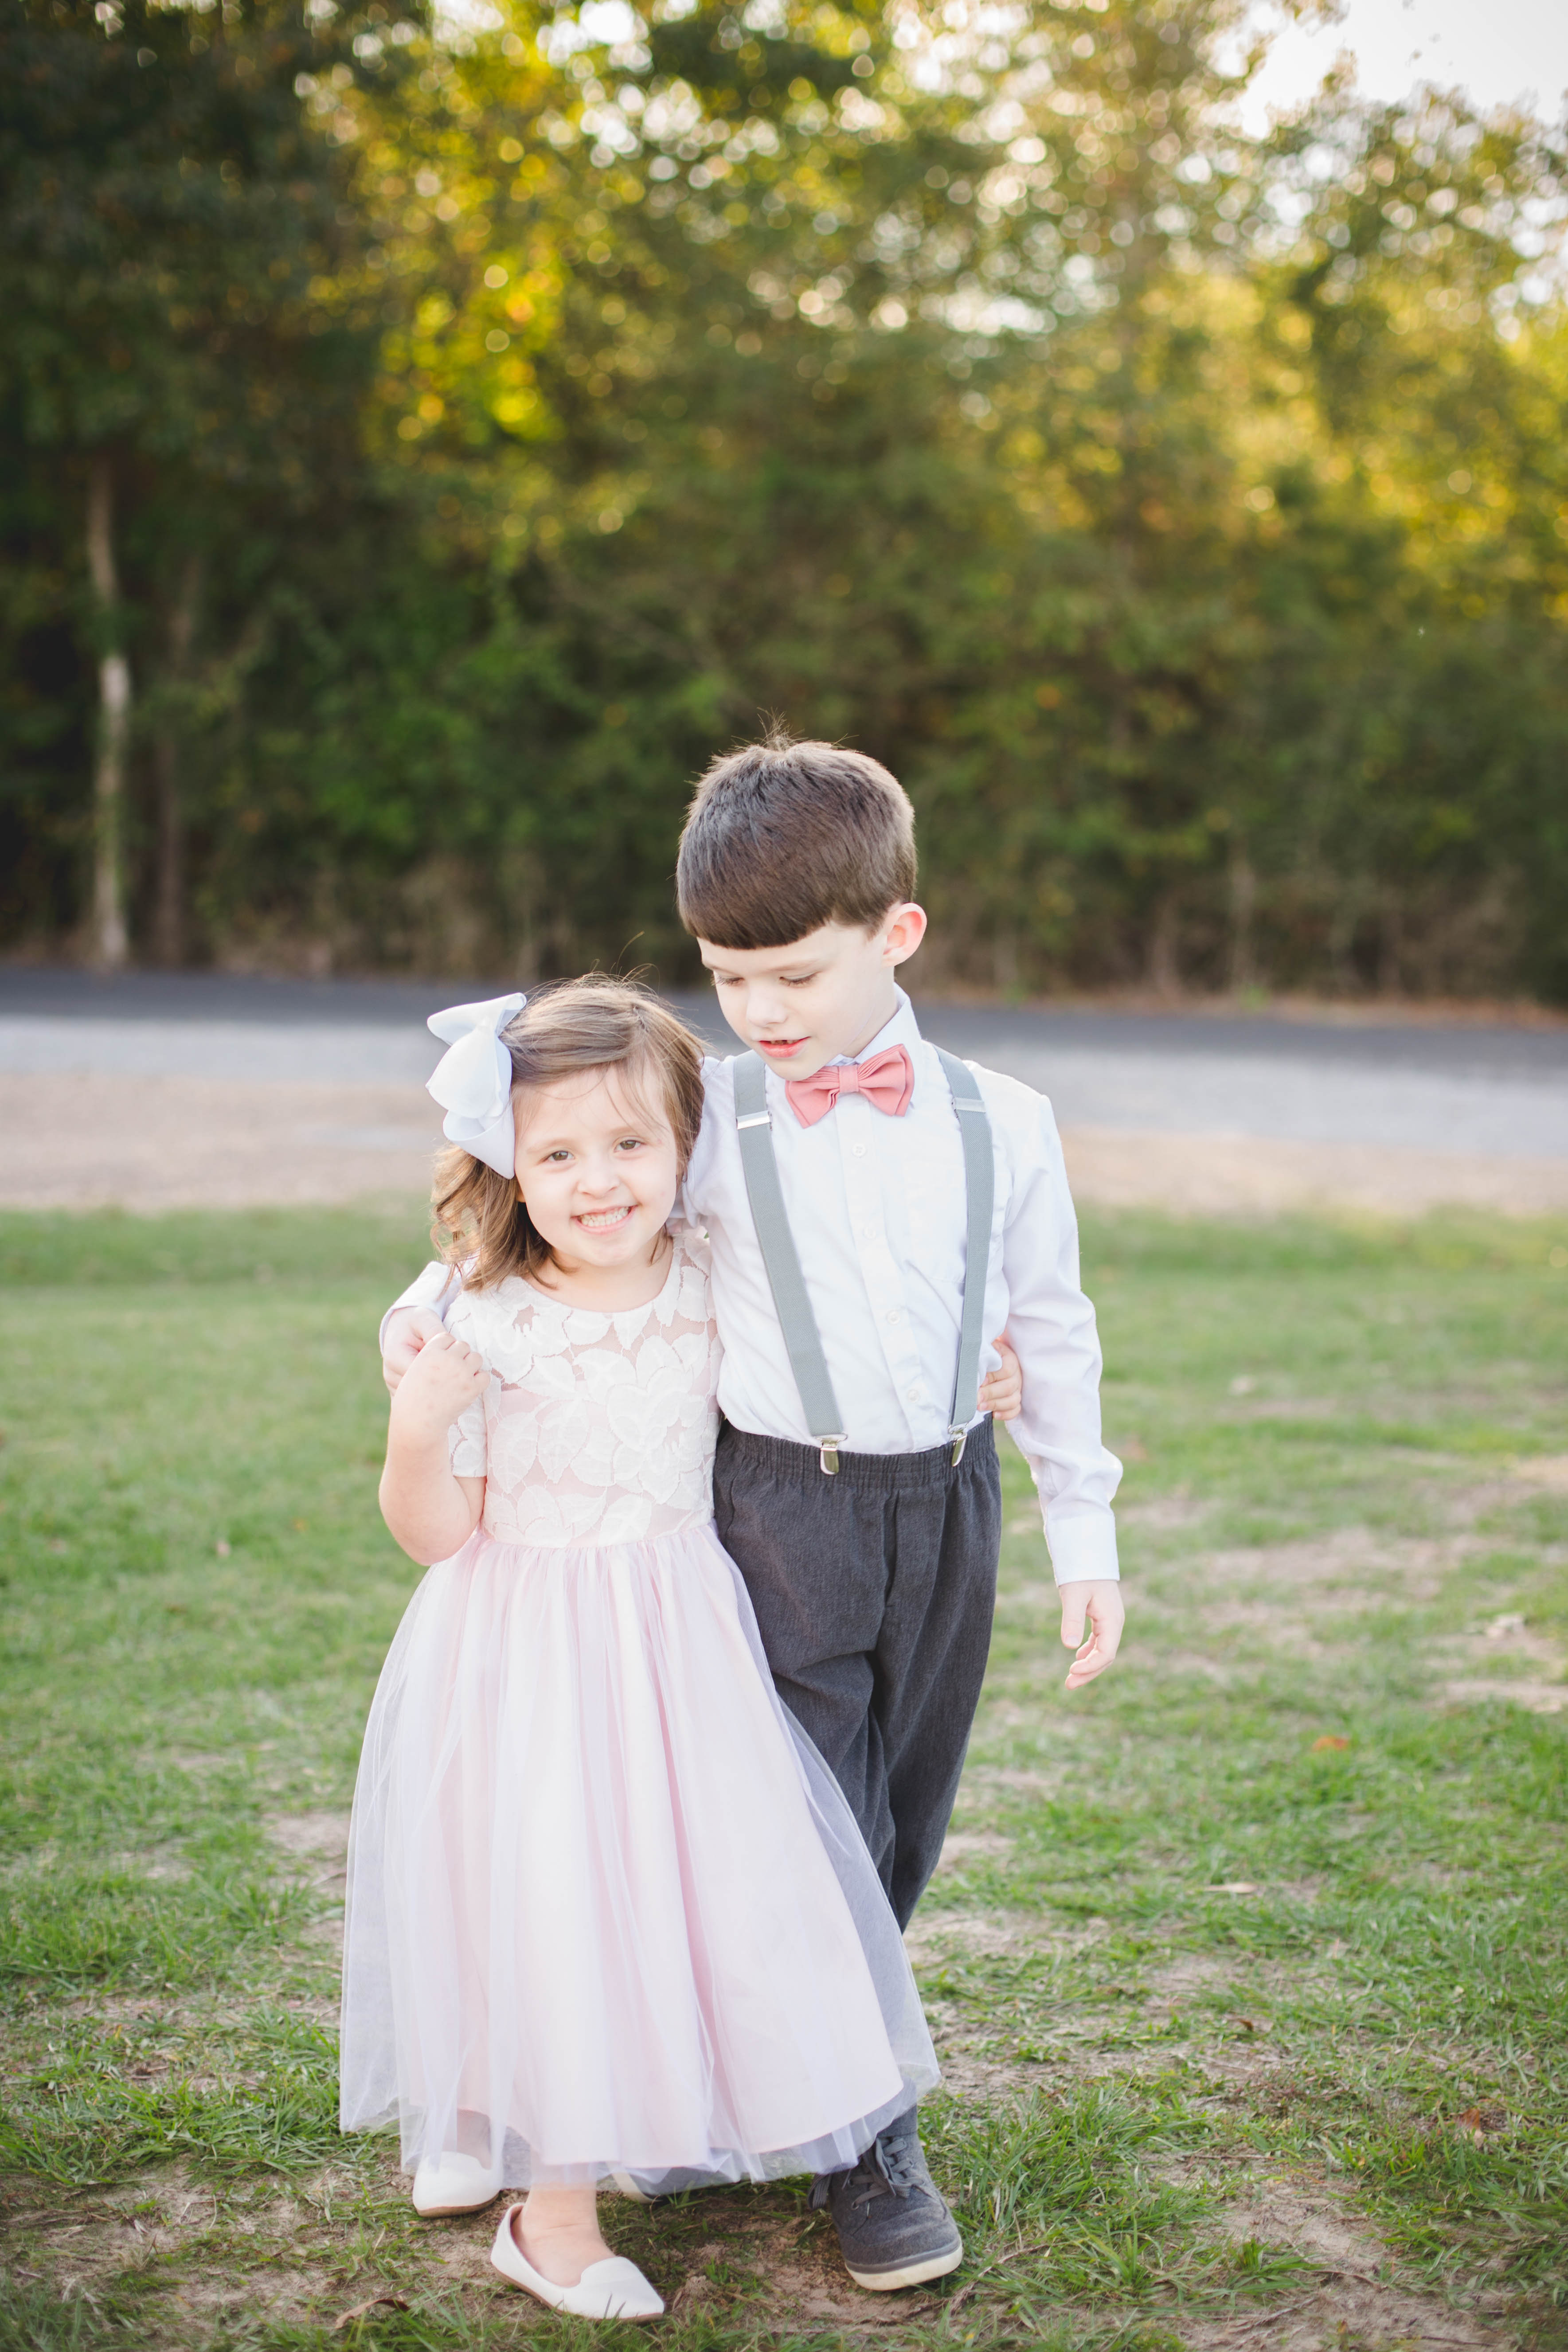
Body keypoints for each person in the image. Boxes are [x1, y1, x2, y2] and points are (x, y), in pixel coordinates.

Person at [380, 733, 1125, 2293]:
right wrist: (414, 1325)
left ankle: (797, 2062)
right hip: (778, 1506)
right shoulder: (701, 1113)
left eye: (794, 975)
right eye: (729, 979)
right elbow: (551, 1212)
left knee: (901, 1815)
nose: (763, 1012)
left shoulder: (1005, 1119)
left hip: (951, 1501)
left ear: (897, 932)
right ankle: (866, 2137)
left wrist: (1084, 1530)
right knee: (798, 1820)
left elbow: (1048, 1324)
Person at [344, 976, 1007, 2320]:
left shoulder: (709, 1269)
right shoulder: (486, 1319)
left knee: (661, 1897)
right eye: (557, 1155)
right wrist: (415, 1422)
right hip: (530, 1645)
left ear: (685, 1147)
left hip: (681, 1636)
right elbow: (434, 1530)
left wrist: (972, 1367)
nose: (600, 1181)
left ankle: (530, 2125)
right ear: (507, 1164)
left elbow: (848, 1318)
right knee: (543, 1902)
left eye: (631, 1143)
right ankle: (545, 2208)